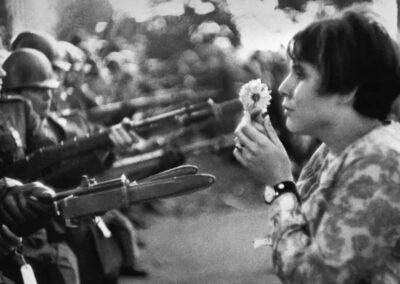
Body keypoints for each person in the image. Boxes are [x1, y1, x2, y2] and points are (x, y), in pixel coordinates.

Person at [234, 7, 400, 284]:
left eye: (300, 73)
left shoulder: (381, 161)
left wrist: (280, 184)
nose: (283, 87)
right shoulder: (334, 149)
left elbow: (312, 276)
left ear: (347, 89)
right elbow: (300, 228)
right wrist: (274, 167)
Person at [2, 47, 147, 283]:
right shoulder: (16, 112)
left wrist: (103, 150)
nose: (49, 95)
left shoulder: (21, 112)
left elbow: (54, 164)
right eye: (39, 90)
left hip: (37, 223)